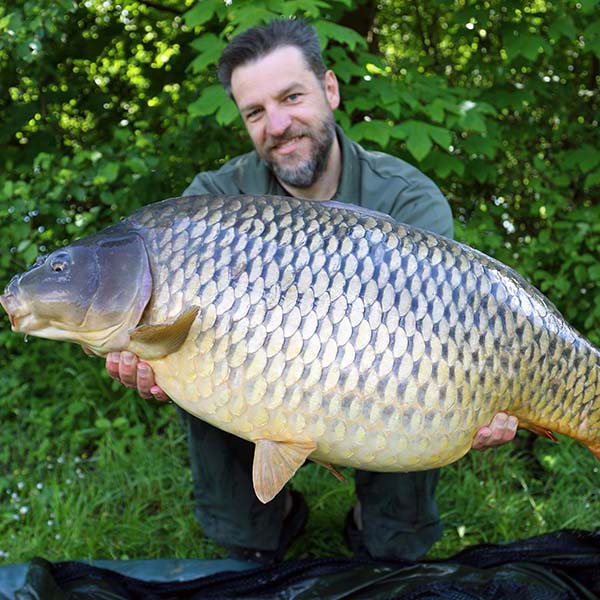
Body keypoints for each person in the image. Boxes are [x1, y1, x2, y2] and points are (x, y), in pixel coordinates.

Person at [104, 19, 518, 563]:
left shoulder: (406, 197)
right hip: (256, 369)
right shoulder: (211, 202)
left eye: (292, 97)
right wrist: (147, 356)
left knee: (421, 383)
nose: (277, 124)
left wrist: (490, 399)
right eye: (255, 112)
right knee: (197, 355)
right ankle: (256, 529)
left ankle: (387, 533)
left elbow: (454, 326)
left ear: (330, 89)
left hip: (382, 374)